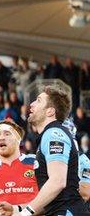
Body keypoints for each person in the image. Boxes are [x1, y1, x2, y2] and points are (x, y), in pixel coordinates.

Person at [14, 86, 88, 215]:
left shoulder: (54, 133)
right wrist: (18, 209)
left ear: (50, 111)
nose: (31, 104)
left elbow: (57, 181)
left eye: (38, 100)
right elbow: (53, 202)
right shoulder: (48, 135)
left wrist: (26, 213)